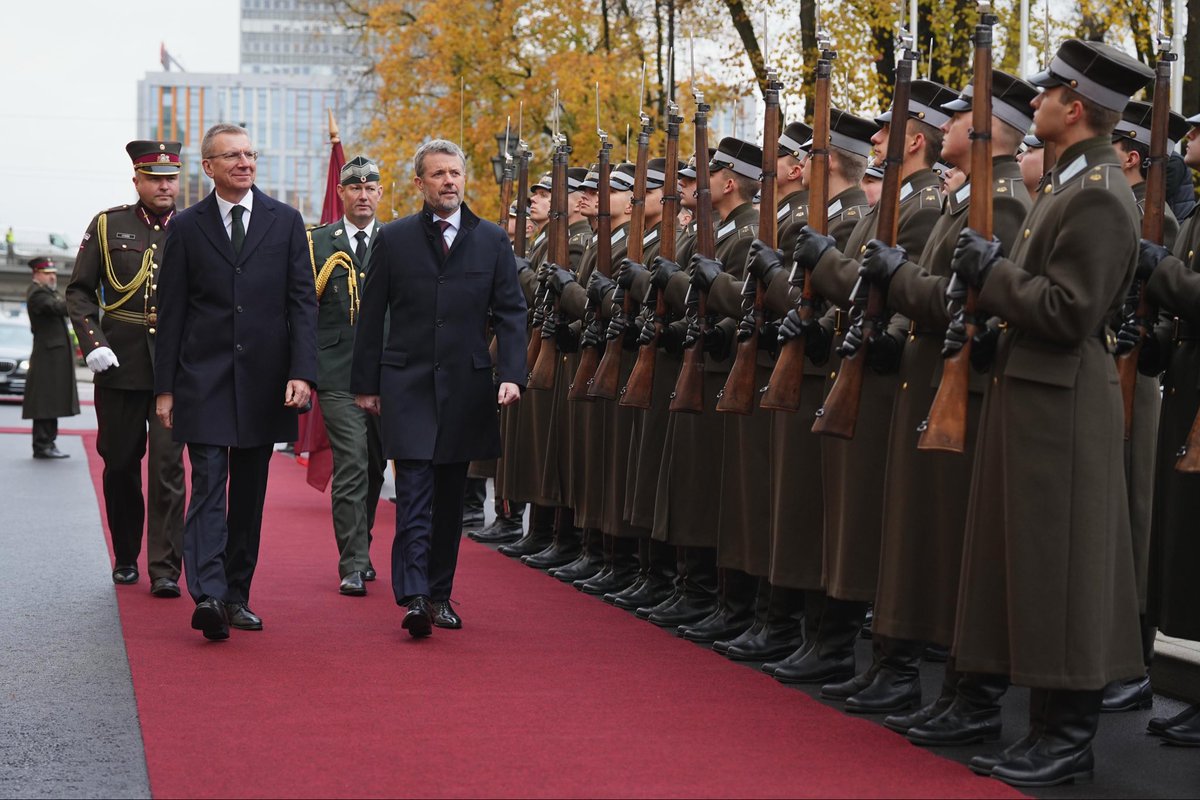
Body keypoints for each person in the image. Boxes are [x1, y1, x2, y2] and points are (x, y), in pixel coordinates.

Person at [948, 40, 1153, 786]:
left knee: (1064, 569)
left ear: (1075, 107)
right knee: (1036, 566)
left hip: (1064, 397)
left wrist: (992, 275)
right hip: (1039, 394)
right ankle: (1043, 728)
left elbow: (1070, 311)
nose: (1031, 103)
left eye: (1045, 95)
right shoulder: (1071, 183)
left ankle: (1067, 738)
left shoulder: (1097, 190)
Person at [351, 139, 526, 638]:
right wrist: (365, 384)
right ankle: (415, 596)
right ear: (419, 183)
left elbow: (511, 312)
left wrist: (511, 373)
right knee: (414, 490)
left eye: (455, 173)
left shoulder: (491, 239)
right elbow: (371, 313)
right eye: (439, 174)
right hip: (405, 383)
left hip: (467, 389)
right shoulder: (395, 237)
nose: (449, 182)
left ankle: (441, 594)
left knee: (450, 499)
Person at [154, 123, 317, 642]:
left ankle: (237, 596)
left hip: (266, 381)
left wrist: (302, 372)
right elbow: (173, 311)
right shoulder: (185, 227)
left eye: (249, 153)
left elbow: (301, 304)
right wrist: (164, 389)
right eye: (232, 156)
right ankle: (207, 595)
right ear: (209, 168)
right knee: (207, 487)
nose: (244, 162)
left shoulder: (286, 222)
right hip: (202, 379)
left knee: (249, 494)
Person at [66, 140, 186, 595]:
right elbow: (78, 291)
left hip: (173, 368)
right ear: (137, 180)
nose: (163, 185)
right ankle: (126, 554)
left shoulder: (194, 228)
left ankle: (165, 569)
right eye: (154, 178)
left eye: (170, 178)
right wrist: (92, 341)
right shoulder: (108, 225)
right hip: (119, 362)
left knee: (169, 468)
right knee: (119, 464)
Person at [307, 155, 386, 597]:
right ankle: (352, 562)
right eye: (353, 187)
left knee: (376, 466)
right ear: (341, 192)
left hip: (387, 371)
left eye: (369, 187)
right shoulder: (318, 242)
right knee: (352, 464)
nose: (362, 195)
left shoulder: (396, 241)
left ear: (380, 192)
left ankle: (364, 542)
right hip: (336, 372)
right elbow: (302, 309)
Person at [22, 257, 79, 458]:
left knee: (51, 401)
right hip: (47, 357)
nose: (52, 276)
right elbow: (58, 308)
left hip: (51, 356)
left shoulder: (47, 292)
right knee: (45, 402)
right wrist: (79, 297)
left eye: (53, 273)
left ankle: (49, 442)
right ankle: (42, 444)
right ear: (36, 274)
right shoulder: (37, 293)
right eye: (47, 273)